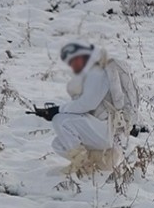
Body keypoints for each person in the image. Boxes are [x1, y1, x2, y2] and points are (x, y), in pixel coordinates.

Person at [33, 43, 122, 176]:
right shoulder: (92, 73)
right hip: (101, 128)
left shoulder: (97, 72)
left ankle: (83, 165)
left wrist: (57, 111)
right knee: (59, 143)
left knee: (60, 121)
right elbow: (82, 105)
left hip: (105, 129)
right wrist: (55, 111)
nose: (72, 66)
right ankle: (98, 164)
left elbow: (88, 104)